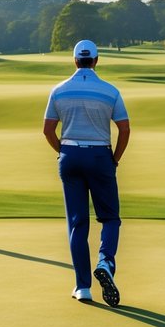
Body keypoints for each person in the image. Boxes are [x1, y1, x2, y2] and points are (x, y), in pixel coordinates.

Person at [42, 40, 130, 306]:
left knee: (78, 223)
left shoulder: (59, 90)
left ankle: (83, 287)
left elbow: (47, 130)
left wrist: (63, 151)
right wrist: (113, 160)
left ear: (74, 60)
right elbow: (124, 129)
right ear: (97, 60)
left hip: (70, 155)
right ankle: (105, 262)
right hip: (100, 156)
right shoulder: (110, 91)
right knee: (110, 218)